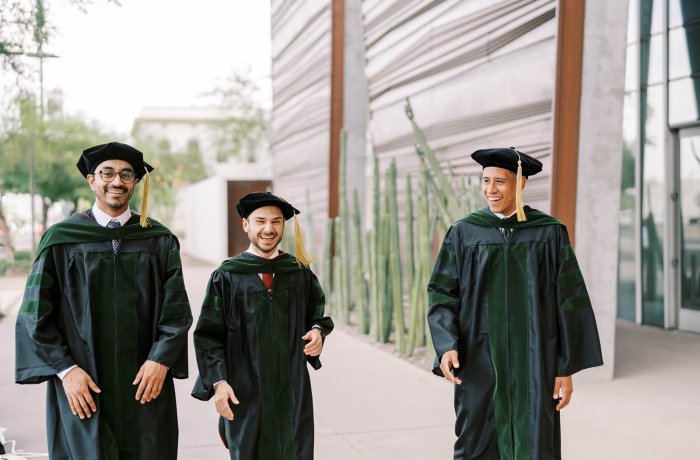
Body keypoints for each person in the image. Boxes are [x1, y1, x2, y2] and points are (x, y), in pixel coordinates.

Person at [15, 142, 193, 460]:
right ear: (91, 180)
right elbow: (35, 315)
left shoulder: (158, 240)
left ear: (136, 182)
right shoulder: (61, 239)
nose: (117, 181)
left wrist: (161, 359)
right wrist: (65, 370)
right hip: (82, 386)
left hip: (144, 384)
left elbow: (176, 310)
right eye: (107, 172)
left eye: (126, 174)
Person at [427, 147, 603, 460]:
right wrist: (447, 345)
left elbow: (568, 302)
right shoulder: (464, 233)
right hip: (479, 362)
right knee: (476, 443)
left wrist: (564, 368)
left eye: (500, 182)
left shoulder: (549, 233)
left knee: (534, 445)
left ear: (520, 183)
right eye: (485, 181)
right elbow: (442, 293)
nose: (490, 190)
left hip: (535, 364)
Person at [192, 191, 333, 460]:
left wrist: (317, 332)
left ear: (283, 225)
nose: (269, 229)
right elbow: (208, 335)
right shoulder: (227, 275)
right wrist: (219, 383)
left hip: (292, 390)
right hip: (243, 390)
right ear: (246, 224)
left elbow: (317, 315)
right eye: (260, 221)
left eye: (276, 221)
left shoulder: (298, 272)